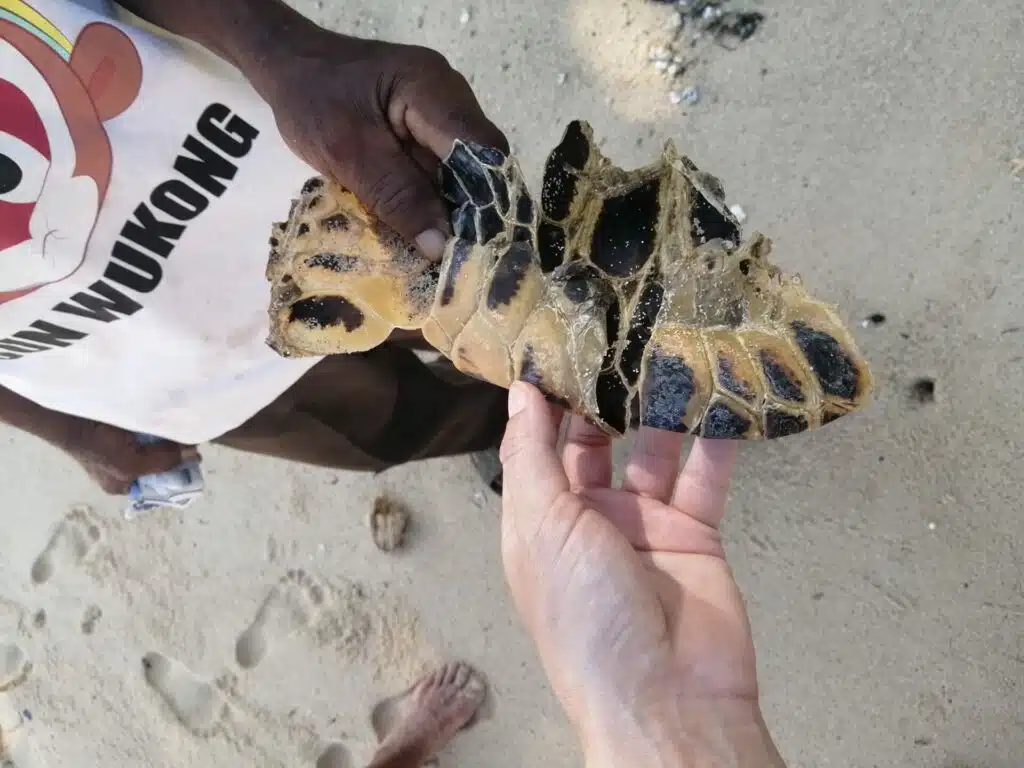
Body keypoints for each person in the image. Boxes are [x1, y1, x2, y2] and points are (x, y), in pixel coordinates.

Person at [0, 0, 509, 493]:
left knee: (503, 306)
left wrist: (286, 50)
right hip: (158, 373)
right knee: (395, 425)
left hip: (302, 192)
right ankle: (517, 432)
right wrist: (71, 431)